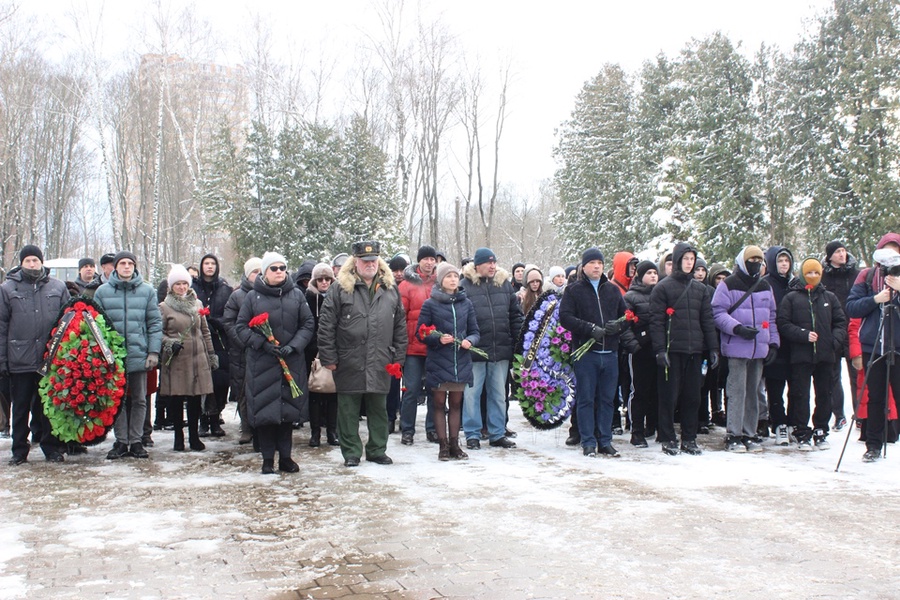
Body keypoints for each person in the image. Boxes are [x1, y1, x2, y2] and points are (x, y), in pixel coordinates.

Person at [317, 241, 407, 467]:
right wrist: (329, 357)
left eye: (374, 261)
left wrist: (398, 357)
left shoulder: (390, 288)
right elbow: (326, 325)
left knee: (379, 407)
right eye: (365, 261)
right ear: (355, 262)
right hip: (348, 359)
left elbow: (400, 327)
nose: (370, 265)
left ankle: (377, 450)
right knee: (348, 409)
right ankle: (351, 452)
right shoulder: (340, 288)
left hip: (381, 359)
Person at [236, 252, 314, 474]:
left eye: (282, 267)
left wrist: (295, 345)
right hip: (263, 363)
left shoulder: (297, 295)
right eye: (274, 268)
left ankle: (286, 458)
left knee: (287, 413)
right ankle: (268, 459)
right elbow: (241, 327)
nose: (279, 271)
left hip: (290, 361)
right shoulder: (252, 297)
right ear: (264, 272)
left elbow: (307, 324)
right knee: (266, 413)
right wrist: (262, 343)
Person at [0, 245, 69, 464]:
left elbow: (69, 322)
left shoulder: (57, 287)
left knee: (49, 408)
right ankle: (19, 449)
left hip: (50, 360)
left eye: (35, 260)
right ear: (21, 263)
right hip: (19, 359)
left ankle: (51, 447)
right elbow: (1, 326)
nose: (32, 264)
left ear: (42, 262)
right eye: (28, 260)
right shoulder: (7, 289)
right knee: (20, 408)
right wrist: (3, 359)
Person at [649, 242, 719, 456]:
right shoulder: (663, 287)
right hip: (672, 350)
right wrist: (660, 350)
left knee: (693, 396)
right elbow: (656, 321)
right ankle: (668, 437)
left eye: (692, 259)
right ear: (678, 260)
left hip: (694, 350)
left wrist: (713, 348)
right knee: (669, 396)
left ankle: (689, 437)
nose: (689, 263)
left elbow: (707, 320)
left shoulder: (701, 289)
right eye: (685, 259)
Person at [560, 248, 628, 457]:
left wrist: (618, 326)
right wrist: (589, 329)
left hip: (610, 353)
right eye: (592, 263)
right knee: (587, 398)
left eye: (600, 262)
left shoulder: (613, 290)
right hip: (586, 354)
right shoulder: (574, 290)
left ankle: (605, 440)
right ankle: (588, 441)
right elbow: (565, 317)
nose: (597, 266)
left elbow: (626, 316)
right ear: (584, 266)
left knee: (607, 399)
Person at [94, 251, 163, 460]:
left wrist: (153, 351)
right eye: (122, 263)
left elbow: (154, 323)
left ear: (135, 266)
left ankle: (137, 440)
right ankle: (121, 441)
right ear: (115, 267)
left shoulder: (147, 291)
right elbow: (96, 326)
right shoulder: (102, 292)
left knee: (140, 399)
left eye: (130, 263)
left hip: (138, 353)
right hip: (112, 358)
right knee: (118, 400)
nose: (126, 267)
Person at [711, 245, 780, 453]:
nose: (756, 264)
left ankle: (749, 432)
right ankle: (734, 433)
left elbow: (772, 316)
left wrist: (773, 342)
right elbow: (718, 313)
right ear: (742, 261)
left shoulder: (765, 286)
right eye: (752, 260)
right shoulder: (728, 285)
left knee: (754, 391)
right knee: (736, 391)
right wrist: (737, 328)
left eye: (759, 260)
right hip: (736, 346)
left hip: (758, 348)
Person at [777, 258, 846, 451]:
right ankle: (802, 432)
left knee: (824, 394)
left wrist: (834, 341)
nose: (813, 276)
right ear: (802, 274)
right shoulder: (791, 297)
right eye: (809, 273)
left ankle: (821, 429)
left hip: (825, 356)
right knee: (800, 394)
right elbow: (783, 323)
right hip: (801, 356)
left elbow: (840, 322)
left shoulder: (829, 298)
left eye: (816, 273)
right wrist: (802, 335)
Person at [459, 248, 523, 450]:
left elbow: (515, 315)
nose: (493, 266)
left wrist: (519, 341)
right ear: (477, 265)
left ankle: (497, 433)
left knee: (498, 394)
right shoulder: (464, 286)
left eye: (494, 262)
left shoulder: (504, 285)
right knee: (472, 395)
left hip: (500, 349)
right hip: (474, 351)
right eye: (488, 263)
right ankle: (472, 433)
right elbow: (459, 319)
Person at [416, 263, 480, 460]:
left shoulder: (466, 303)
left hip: (460, 361)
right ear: (441, 280)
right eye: (448, 276)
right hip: (438, 361)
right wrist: (437, 338)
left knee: (456, 403)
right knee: (438, 403)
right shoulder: (430, 304)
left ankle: (455, 444)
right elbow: (421, 332)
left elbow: (475, 331)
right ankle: (442, 446)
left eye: (455, 276)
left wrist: (470, 341)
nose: (453, 279)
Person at [846, 233, 900, 462]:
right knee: (876, 398)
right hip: (873, 345)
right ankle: (873, 446)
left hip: (898, 345)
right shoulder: (867, 276)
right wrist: (875, 299)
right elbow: (851, 307)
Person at [159, 265, 216, 452]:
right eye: (178, 284)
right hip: (177, 358)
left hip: (197, 358)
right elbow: (158, 333)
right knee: (176, 399)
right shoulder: (164, 307)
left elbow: (205, 331)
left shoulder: (197, 304)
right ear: (171, 286)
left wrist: (211, 354)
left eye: (185, 283)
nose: (182, 287)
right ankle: (178, 437)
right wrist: (169, 342)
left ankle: (194, 437)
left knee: (195, 399)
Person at [398, 245, 439, 445]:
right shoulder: (406, 285)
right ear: (419, 261)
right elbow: (399, 317)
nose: (429, 262)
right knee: (411, 390)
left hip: (435, 346)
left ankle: (432, 428)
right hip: (413, 347)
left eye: (432, 259)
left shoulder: (440, 282)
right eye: (426, 259)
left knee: (434, 390)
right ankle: (407, 429)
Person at [222, 257, 261, 445]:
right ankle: (246, 427)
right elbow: (229, 322)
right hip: (242, 351)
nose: (258, 275)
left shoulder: (269, 293)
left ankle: (261, 427)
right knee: (244, 391)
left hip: (263, 349)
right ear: (247, 275)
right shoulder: (237, 295)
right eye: (255, 272)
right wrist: (244, 340)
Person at [191, 253, 232, 438]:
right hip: (198, 338)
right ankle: (203, 419)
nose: (209, 267)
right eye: (206, 263)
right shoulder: (193, 288)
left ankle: (216, 418)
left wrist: (216, 322)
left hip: (219, 339)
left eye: (212, 263)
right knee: (201, 380)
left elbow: (231, 315)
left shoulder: (225, 289)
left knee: (220, 381)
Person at [821, 240, 859, 432]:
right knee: (833, 375)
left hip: (853, 329)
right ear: (830, 256)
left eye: (844, 251)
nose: (842, 255)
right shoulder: (823, 275)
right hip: (832, 330)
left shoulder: (856, 273)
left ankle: (860, 414)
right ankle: (839, 415)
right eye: (837, 252)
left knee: (856, 373)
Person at [621, 260, 659, 448]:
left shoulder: (661, 294)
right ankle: (637, 430)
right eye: (649, 273)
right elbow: (624, 325)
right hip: (639, 351)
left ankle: (652, 426)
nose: (653, 276)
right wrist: (634, 345)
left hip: (658, 350)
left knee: (656, 390)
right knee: (639, 391)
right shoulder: (631, 297)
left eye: (655, 272)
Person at [762, 246, 795, 445]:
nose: (784, 264)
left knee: (796, 387)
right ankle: (779, 423)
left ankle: (793, 422)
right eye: (780, 260)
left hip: (794, 342)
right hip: (774, 342)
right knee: (775, 386)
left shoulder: (795, 283)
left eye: (787, 261)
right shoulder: (765, 284)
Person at [304, 262, 338, 447]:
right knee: (315, 392)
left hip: (334, 350)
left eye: (327, 279)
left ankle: (332, 431)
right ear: (314, 281)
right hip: (312, 351)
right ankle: (315, 432)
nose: (324, 282)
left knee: (333, 393)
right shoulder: (307, 298)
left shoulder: (339, 296)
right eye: (320, 279)